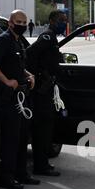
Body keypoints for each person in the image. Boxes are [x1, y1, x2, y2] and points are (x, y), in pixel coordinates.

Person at [0, 9, 41, 189]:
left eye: (25, 23)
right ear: (10, 22)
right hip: (9, 97)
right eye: (19, 22)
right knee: (11, 137)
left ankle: (21, 173)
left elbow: (17, 66)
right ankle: (7, 177)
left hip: (22, 95)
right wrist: (6, 81)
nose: (22, 26)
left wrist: (28, 75)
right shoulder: (4, 40)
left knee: (23, 136)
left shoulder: (18, 42)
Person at [25, 10, 68, 177]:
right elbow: (30, 53)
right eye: (60, 20)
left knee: (45, 128)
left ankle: (42, 163)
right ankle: (40, 166)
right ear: (51, 21)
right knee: (42, 129)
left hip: (47, 89)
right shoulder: (47, 37)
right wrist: (38, 75)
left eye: (65, 20)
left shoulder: (53, 38)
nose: (63, 23)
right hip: (41, 91)